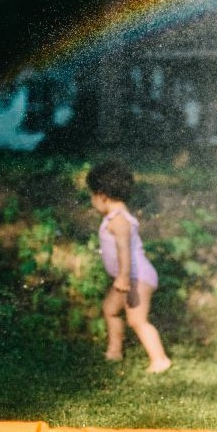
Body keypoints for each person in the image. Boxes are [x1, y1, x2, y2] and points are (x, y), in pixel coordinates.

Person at [86, 160, 172, 374]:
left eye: (92, 196)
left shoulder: (119, 220)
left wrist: (123, 277)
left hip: (136, 277)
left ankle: (160, 360)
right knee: (110, 310)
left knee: (137, 320)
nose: (92, 201)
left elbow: (124, 250)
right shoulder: (114, 218)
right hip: (127, 277)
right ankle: (114, 352)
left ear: (102, 195)